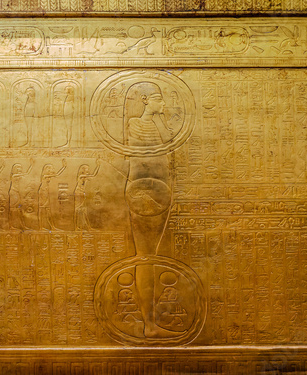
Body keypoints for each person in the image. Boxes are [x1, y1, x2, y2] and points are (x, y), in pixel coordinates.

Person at [123, 82, 178, 338]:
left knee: (153, 256)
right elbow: (146, 157)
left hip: (161, 190)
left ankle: (150, 324)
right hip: (144, 191)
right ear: (144, 100)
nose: (163, 104)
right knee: (145, 256)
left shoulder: (159, 125)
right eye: (158, 99)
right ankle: (149, 325)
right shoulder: (136, 123)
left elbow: (168, 146)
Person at [38, 159, 66, 230]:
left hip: (46, 191)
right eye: (51, 168)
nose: (53, 169)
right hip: (43, 191)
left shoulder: (47, 175)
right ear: (47, 169)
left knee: (47, 209)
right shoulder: (45, 175)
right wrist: (63, 167)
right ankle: (42, 227)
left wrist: (64, 167)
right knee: (43, 208)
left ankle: (51, 226)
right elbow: (56, 175)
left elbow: (56, 175)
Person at [74, 161, 100, 230]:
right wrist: (98, 166)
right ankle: (77, 227)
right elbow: (93, 175)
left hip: (82, 193)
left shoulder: (85, 177)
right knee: (78, 209)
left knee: (84, 210)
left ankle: (87, 226)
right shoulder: (81, 176)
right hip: (78, 193)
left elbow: (92, 177)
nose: (88, 170)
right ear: (83, 170)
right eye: (87, 169)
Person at [8, 160, 33, 230]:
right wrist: (31, 166)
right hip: (13, 192)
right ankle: (12, 226)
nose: (20, 170)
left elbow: (25, 174)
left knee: (19, 209)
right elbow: (26, 173)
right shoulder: (14, 175)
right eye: (19, 169)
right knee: (13, 209)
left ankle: (20, 225)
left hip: (17, 192)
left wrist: (31, 166)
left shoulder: (18, 176)